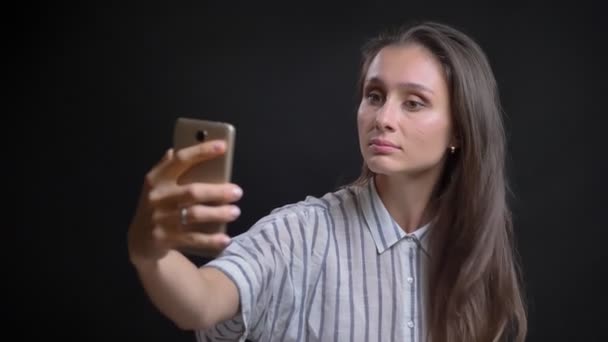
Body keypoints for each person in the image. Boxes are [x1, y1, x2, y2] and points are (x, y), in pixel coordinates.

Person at [128, 21, 528, 342]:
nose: (383, 118)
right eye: (374, 95)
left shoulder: (473, 249)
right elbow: (200, 302)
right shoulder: (301, 233)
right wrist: (151, 254)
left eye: (413, 103)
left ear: (459, 131)